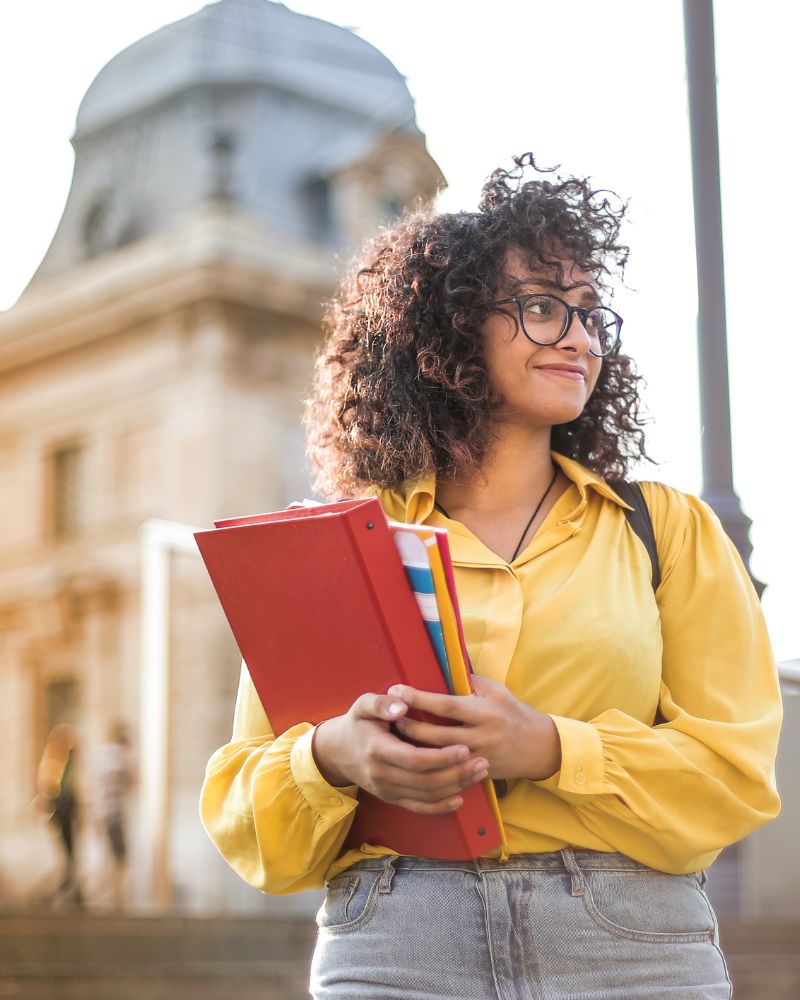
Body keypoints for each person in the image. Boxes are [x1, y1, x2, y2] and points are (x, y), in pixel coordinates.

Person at [200, 153, 782, 998]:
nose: (580, 337)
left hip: (631, 944)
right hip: (396, 942)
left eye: (590, 314)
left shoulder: (667, 530)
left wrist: (549, 748)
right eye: (542, 308)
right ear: (449, 331)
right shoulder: (337, 550)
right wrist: (333, 755)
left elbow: (734, 776)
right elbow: (248, 813)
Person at [35, 723, 84, 908]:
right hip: (61, 814)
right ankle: (71, 892)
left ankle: (75, 892)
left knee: (71, 855)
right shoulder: (55, 762)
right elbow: (51, 791)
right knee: (69, 855)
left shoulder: (66, 765)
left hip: (66, 814)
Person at [91, 721, 134, 909]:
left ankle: (108, 897)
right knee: (120, 859)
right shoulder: (119, 758)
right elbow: (132, 781)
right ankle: (115, 898)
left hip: (103, 814)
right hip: (115, 815)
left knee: (111, 858)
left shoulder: (101, 757)